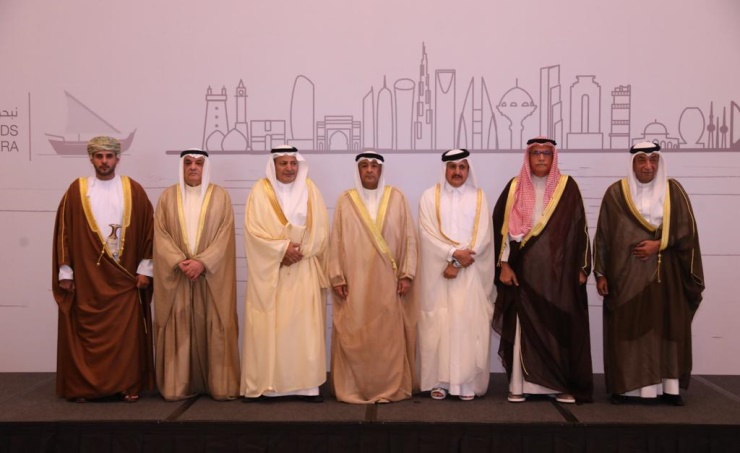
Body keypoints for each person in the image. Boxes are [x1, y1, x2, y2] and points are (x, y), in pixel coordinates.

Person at [594, 141, 705, 406]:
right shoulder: (615, 193)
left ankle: (669, 388)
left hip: (665, 275)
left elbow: (686, 230)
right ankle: (625, 388)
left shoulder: (673, 191)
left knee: (665, 327)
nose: (648, 166)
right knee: (628, 328)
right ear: (632, 163)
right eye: (642, 160)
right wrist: (601, 273)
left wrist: (659, 244)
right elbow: (604, 236)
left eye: (653, 160)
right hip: (625, 276)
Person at [51, 136, 154, 403]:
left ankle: (127, 384)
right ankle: (85, 387)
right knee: (86, 331)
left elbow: (148, 232)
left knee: (126, 334)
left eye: (109, 156)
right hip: (88, 277)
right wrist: (66, 272)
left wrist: (146, 269)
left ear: (118, 158)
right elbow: (64, 232)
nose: (104, 161)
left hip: (125, 278)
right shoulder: (77, 190)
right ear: (91, 159)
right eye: (99, 156)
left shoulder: (133, 190)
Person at [492, 137, 593, 404]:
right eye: (535, 153)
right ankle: (519, 385)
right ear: (528, 157)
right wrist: (504, 264)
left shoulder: (567, 187)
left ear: (553, 157)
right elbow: (501, 229)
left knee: (556, 328)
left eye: (546, 153)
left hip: (558, 277)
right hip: (522, 274)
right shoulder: (515, 186)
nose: (540, 158)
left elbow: (580, 228)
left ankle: (559, 385)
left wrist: (582, 267)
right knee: (524, 329)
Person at [328, 151, 419, 404]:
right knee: (355, 332)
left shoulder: (397, 197)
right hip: (354, 283)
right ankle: (355, 387)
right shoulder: (346, 200)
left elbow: (409, 239)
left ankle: (388, 385)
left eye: (374, 166)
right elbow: (336, 240)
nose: (369, 170)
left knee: (387, 338)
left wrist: (407, 274)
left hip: (389, 282)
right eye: (365, 166)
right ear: (358, 170)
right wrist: (337, 276)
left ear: (381, 170)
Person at [241, 145, 330, 402]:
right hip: (271, 272)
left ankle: (307, 386)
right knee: (271, 328)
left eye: (293, 163)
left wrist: (299, 251)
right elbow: (252, 232)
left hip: (303, 267)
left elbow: (321, 230)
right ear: (274, 165)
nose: (289, 168)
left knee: (303, 329)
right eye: (283, 163)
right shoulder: (259, 191)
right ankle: (268, 386)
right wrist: (281, 250)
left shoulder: (310, 189)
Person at [152, 149, 240, 401]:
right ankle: (177, 385)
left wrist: (202, 262)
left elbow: (224, 236)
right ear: (182, 167)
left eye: (199, 163)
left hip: (210, 275)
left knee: (215, 322)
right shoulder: (167, 197)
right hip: (178, 274)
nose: (193, 167)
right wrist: (180, 261)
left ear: (205, 167)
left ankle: (220, 385)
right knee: (177, 323)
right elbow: (161, 235)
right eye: (188, 163)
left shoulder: (220, 197)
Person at [417, 149, 495, 401]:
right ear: (445, 169)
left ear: (468, 170)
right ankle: (438, 382)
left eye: (462, 167)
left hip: (469, 274)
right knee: (439, 326)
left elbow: (483, 237)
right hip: (437, 276)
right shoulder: (429, 197)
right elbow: (426, 234)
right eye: (453, 167)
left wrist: (457, 263)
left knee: (466, 326)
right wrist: (452, 254)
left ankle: (466, 384)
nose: (457, 172)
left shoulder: (479, 197)